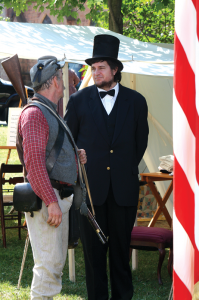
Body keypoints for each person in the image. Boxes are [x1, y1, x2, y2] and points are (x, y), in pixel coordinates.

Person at [64, 34, 149, 300]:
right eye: (93, 68)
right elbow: (68, 142)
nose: (96, 72)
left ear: (115, 70)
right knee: (94, 257)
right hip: (91, 193)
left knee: (121, 254)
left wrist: (122, 168)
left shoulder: (136, 102)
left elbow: (140, 143)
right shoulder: (78, 101)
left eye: (101, 67)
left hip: (123, 192)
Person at [16, 56, 86, 300]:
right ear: (55, 80)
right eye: (63, 76)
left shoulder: (48, 112)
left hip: (55, 197)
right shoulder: (36, 113)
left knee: (53, 266)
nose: (67, 81)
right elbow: (34, 164)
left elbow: (47, 154)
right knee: (47, 268)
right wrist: (51, 201)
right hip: (49, 199)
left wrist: (74, 157)